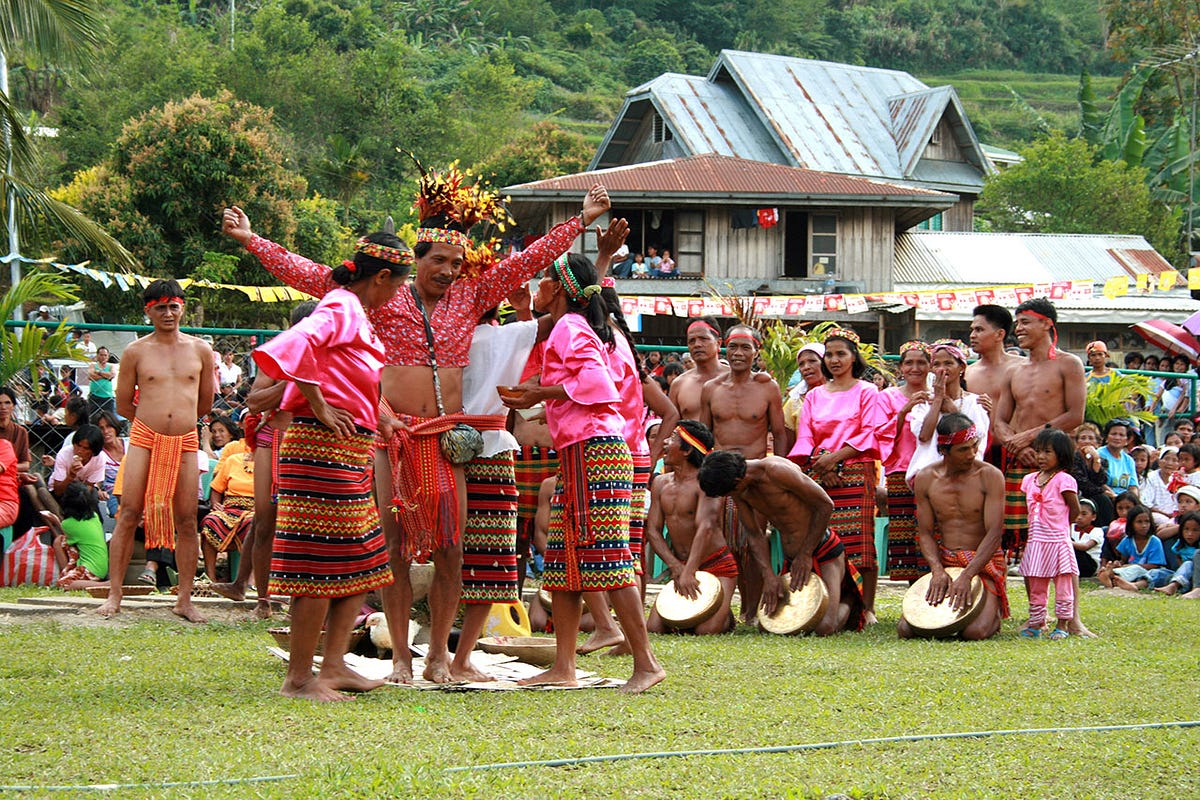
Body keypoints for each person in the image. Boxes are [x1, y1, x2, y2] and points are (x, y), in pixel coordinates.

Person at [224, 176, 605, 684]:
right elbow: (311, 274)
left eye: (454, 262)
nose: (447, 270)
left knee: (452, 548)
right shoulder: (383, 295)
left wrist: (580, 221)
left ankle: (438, 658)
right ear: (415, 261)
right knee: (393, 548)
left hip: (449, 439)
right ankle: (402, 654)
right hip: (390, 438)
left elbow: (526, 261)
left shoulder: (471, 296)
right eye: (437, 261)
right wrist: (253, 240)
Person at [251, 231, 406, 701]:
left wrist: (382, 417)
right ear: (381, 277)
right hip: (320, 448)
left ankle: (334, 665)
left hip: (348, 447)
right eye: (397, 286)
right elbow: (296, 345)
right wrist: (316, 402)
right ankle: (299, 679)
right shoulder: (340, 306)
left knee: (365, 562)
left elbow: (347, 376)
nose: (397, 295)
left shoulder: (353, 310)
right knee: (319, 565)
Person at [500, 253, 664, 693]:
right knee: (565, 561)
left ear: (558, 289)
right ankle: (564, 666)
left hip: (596, 452)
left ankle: (646, 664)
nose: (538, 286)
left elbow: (597, 386)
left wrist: (542, 392)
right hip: (583, 452)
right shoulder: (576, 327)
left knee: (607, 559)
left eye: (545, 280)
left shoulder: (573, 327)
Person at [96, 280, 215, 623]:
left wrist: (177, 427)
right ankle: (114, 594)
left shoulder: (200, 350)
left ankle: (184, 599)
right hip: (145, 438)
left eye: (173, 306)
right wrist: (153, 426)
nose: (168, 313)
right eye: (160, 307)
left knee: (188, 519)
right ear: (148, 311)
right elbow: (122, 403)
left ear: (183, 308)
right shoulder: (136, 351)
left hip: (186, 440)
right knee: (129, 512)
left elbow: (204, 401)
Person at [696, 450, 866, 635]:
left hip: (823, 549)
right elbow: (754, 534)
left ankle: (849, 599)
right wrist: (768, 575)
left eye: (729, 493)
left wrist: (806, 554)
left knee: (824, 628)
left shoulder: (777, 470)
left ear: (737, 481)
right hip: (791, 557)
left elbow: (825, 505)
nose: (731, 496)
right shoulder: (739, 490)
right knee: (770, 626)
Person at [787, 327, 883, 621]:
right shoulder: (814, 395)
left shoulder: (868, 391)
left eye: (841, 353)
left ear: (854, 357)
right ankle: (830, 600)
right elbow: (805, 437)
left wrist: (835, 459)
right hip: (821, 472)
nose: (834, 359)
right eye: (829, 354)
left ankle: (866, 608)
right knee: (826, 539)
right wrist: (821, 463)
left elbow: (871, 432)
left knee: (860, 542)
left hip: (855, 470)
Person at [698, 324, 786, 619]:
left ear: (756, 351)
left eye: (745, 347)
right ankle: (721, 609)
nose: (738, 354)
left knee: (754, 543)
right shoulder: (711, 389)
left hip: (754, 475)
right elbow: (704, 436)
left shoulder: (767, 387)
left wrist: (781, 472)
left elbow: (779, 433)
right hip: (720, 477)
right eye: (733, 347)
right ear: (725, 349)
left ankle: (751, 609)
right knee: (722, 543)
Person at [993, 299, 1086, 564]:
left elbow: (1075, 415)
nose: (1018, 329)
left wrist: (1030, 437)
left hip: (1054, 458)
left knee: (1052, 532)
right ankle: (1031, 596)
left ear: (1047, 324)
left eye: (1025, 322)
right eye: (1017, 323)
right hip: (1018, 458)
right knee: (1016, 538)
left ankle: (1067, 600)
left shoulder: (1069, 364)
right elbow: (999, 421)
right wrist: (1019, 446)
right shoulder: (1013, 370)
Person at [900, 413, 1007, 640]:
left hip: (982, 562)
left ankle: (993, 610)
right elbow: (925, 532)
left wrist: (968, 575)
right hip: (946, 563)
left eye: (974, 446)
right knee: (907, 630)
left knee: (974, 632)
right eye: (963, 450)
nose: (971, 454)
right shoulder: (926, 478)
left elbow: (994, 533)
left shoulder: (990, 476)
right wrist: (937, 571)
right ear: (944, 451)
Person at [644, 421, 737, 635]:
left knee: (705, 631)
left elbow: (705, 527)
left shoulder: (706, 483)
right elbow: (653, 530)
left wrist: (688, 571)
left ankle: (724, 614)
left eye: (672, 438)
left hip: (717, 565)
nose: (665, 443)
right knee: (655, 628)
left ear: (687, 449)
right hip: (681, 565)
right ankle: (715, 608)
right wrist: (676, 567)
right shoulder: (660, 483)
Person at [876, 340, 931, 583]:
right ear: (900, 368)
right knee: (907, 532)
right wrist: (903, 411)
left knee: (932, 529)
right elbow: (881, 434)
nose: (915, 368)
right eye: (909, 362)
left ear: (930, 366)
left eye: (921, 362)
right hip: (901, 471)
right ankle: (914, 593)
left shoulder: (939, 396)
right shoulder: (888, 396)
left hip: (934, 472)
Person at [1017, 427, 1080, 640]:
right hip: (1036, 541)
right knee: (1036, 583)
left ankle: (1062, 624)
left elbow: (1075, 509)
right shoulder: (1030, 480)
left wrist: (1061, 527)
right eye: (1039, 451)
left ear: (1061, 455)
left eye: (1048, 452)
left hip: (1057, 541)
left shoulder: (1064, 480)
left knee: (1063, 584)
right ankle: (1037, 622)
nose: (1041, 457)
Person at [199, 422, 255, 582]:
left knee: (254, 524)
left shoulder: (269, 462)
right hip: (230, 508)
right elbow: (217, 488)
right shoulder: (233, 459)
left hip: (255, 510)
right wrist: (216, 504)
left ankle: (251, 582)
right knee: (211, 520)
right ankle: (211, 578)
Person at [44, 481, 108, 590]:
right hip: (101, 566)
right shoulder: (94, 516)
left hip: (91, 569)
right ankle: (69, 573)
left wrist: (54, 521)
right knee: (60, 541)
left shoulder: (68, 524)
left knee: (64, 584)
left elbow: (65, 532)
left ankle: (104, 585)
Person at [669, 317, 728, 421]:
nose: (697, 344)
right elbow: (672, 423)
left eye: (703, 339)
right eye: (692, 341)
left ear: (718, 343)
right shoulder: (679, 384)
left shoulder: (736, 378)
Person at [1100, 504, 1167, 591]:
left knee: (1159, 573)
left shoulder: (1155, 541)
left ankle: (1121, 581)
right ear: (1131, 524)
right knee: (1130, 570)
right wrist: (1118, 564)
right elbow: (1124, 560)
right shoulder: (1127, 540)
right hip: (1131, 572)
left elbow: (1154, 565)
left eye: (1147, 522)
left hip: (1147, 572)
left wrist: (1134, 566)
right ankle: (1112, 577)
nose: (1144, 525)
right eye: (1139, 522)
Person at [781, 342, 826, 454]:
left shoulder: (843, 396)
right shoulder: (794, 402)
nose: (806, 367)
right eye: (801, 364)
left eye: (812, 361)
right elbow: (789, 445)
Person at [1154, 510, 1200, 594]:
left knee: (1188, 563)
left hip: (1197, 577)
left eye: (1195, 530)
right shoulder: (1180, 545)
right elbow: (1178, 559)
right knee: (1160, 573)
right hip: (1183, 575)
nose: (1189, 534)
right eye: (1186, 529)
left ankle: (1173, 586)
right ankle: (1139, 583)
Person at [1097, 420, 1137, 496]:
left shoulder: (1129, 460)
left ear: (1127, 440)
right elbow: (1099, 482)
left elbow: (1133, 486)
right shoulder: (1099, 454)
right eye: (1113, 434)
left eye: (1121, 435)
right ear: (1106, 437)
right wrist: (1115, 497)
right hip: (1106, 496)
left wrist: (1133, 500)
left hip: (1125, 500)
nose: (1117, 437)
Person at [1141, 446, 1179, 526]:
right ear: (1159, 462)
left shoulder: (1179, 479)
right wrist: (1167, 515)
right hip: (1155, 514)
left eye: (1175, 460)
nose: (1169, 463)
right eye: (1166, 459)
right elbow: (1146, 503)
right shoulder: (1150, 477)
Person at [0, 386, 31, 472]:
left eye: (7, 403)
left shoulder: (21, 432)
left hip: (13, 476)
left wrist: (5, 468)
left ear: (13, 406)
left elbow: (25, 464)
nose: (3, 407)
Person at [1071, 498, 1104, 578]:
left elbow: (1086, 547)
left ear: (1093, 517)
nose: (1079, 517)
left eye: (1084, 514)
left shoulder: (1097, 531)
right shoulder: (1071, 527)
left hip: (1089, 565)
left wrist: (1067, 542)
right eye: (1077, 513)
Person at [86, 347, 116, 418]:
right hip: (94, 396)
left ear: (108, 356)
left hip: (108, 397)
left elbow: (112, 375)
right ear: (97, 355)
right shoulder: (93, 365)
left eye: (105, 355)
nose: (103, 357)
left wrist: (98, 372)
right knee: (93, 418)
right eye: (101, 355)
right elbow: (91, 376)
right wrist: (106, 376)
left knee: (109, 418)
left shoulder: (111, 366)